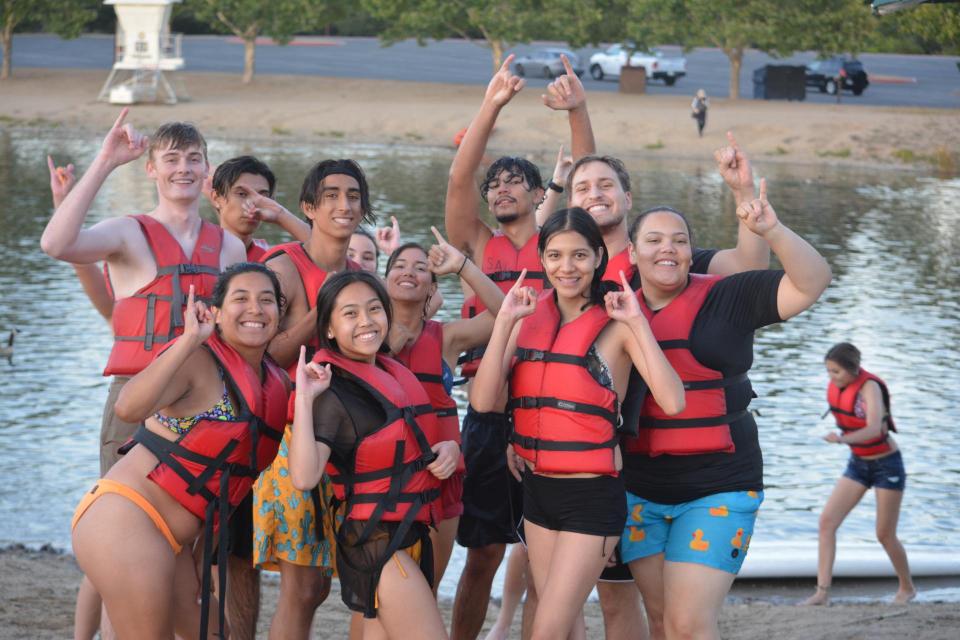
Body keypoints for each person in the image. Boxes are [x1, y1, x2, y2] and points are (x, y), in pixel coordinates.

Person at [41, 111, 246, 640]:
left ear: (207, 173)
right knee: (127, 547)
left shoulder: (229, 248)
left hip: (201, 414)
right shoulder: (128, 233)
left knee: (182, 549)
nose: (183, 168)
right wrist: (106, 161)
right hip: (136, 406)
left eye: (193, 159)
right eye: (171, 159)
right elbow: (56, 245)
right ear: (152, 168)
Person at [619, 179, 831, 640]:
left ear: (692, 252)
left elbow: (813, 282)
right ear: (631, 253)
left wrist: (771, 229)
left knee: (689, 626)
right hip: (640, 490)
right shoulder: (611, 306)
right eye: (653, 241)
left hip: (720, 485)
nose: (667, 250)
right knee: (660, 622)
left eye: (679, 241)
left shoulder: (728, 296)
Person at [470, 208, 685, 640]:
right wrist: (506, 322)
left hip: (591, 496)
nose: (566, 267)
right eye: (554, 256)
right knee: (565, 625)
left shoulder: (617, 323)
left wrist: (638, 324)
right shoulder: (527, 313)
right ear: (543, 259)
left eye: (579, 256)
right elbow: (483, 400)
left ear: (598, 257)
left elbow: (674, 401)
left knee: (546, 630)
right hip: (538, 491)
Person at [446, 54, 594, 640]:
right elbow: (459, 180)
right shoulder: (478, 244)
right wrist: (492, 105)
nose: (500, 188)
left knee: (543, 555)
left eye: (514, 182)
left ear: (539, 196)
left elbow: (583, 170)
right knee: (482, 551)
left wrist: (578, 110)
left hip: (552, 407)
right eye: (495, 184)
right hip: (488, 411)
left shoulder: (561, 243)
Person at [71, 264, 290, 639]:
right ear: (217, 313)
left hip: (175, 542)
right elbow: (127, 408)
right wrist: (189, 340)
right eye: (241, 298)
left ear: (279, 313)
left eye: (266, 300)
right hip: (127, 518)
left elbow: (227, 482)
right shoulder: (198, 360)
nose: (255, 308)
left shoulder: (275, 384)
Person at [287, 270, 459, 640]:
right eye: (350, 313)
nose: (366, 321)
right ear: (329, 329)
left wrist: (448, 448)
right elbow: (304, 476)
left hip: (407, 532)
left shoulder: (388, 371)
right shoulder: (332, 394)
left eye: (374, 309)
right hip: (377, 542)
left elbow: (410, 446)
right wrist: (304, 398)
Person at [252, 159, 370, 640]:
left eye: (354, 196)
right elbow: (263, 353)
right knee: (301, 589)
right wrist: (325, 308)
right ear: (309, 207)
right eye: (331, 196)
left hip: (344, 442)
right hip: (289, 440)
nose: (344, 205)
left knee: (323, 586)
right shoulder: (282, 266)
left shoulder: (361, 274)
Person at [385, 228, 505, 589]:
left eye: (421, 268)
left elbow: (504, 313)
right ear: (384, 278)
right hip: (383, 478)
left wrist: (463, 266)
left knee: (428, 588)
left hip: (441, 475)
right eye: (399, 265)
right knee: (376, 593)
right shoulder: (362, 334)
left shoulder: (447, 338)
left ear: (432, 289)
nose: (409, 271)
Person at [801, 342, 915, 606]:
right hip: (858, 463)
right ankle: (822, 593)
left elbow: (875, 428)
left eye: (836, 372)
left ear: (853, 370)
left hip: (887, 465)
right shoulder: (839, 386)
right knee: (827, 522)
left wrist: (841, 439)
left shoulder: (869, 387)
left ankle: (907, 588)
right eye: (828, 372)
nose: (831, 377)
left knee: (884, 534)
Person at [208, 155, 311, 262]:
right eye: (242, 194)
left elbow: (326, 250)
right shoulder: (196, 252)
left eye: (262, 197)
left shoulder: (272, 259)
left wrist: (280, 214)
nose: (252, 204)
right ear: (216, 198)